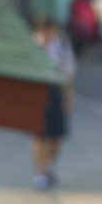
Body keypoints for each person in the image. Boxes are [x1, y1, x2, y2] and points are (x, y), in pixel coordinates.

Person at [32, 13, 76, 190]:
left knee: (57, 134)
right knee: (39, 134)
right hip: (38, 92)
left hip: (57, 91)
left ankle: (49, 166)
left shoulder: (63, 45)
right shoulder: (33, 44)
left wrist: (68, 97)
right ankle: (40, 171)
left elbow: (69, 73)